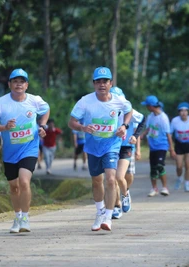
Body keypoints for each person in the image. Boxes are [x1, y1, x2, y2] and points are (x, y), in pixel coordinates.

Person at [68, 66, 132, 231]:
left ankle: (108, 217)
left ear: (111, 83)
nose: (101, 84)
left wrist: (124, 125)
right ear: (94, 84)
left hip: (111, 145)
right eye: (98, 81)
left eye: (105, 81)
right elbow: (71, 122)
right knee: (97, 181)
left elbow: (129, 110)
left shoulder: (118, 100)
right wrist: (83, 128)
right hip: (92, 147)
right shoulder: (85, 101)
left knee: (111, 179)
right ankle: (99, 212)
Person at [0, 68, 50, 233]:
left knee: (24, 181)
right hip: (10, 152)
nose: (18, 84)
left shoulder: (35, 101)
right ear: (9, 84)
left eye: (22, 82)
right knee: (14, 187)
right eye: (15, 81)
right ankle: (17, 216)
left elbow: (46, 110)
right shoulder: (1, 103)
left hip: (29, 148)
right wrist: (4, 127)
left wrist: (42, 126)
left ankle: (25, 218)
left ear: (26, 85)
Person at [109, 87, 145, 219]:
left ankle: (125, 194)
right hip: (111, 147)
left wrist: (135, 136)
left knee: (121, 177)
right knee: (112, 179)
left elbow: (142, 120)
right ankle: (116, 206)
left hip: (126, 147)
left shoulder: (129, 111)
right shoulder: (106, 110)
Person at [140, 95, 176, 197]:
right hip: (153, 146)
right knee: (153, 168)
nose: (146, 107)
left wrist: (171, 149)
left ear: (151, 106)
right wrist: (143, 134)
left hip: (162, 145)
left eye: (147, 105)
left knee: (160, 166)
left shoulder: (163, 118)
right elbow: (148, 128)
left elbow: (168, 134)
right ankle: (154, 188)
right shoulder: (150, 116)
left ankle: (165, 187)